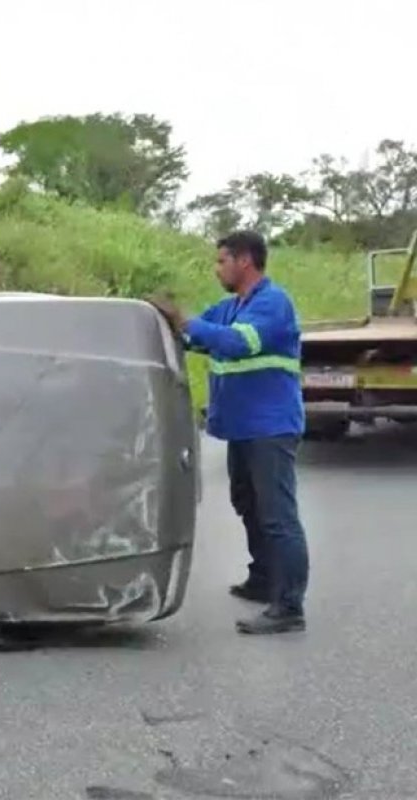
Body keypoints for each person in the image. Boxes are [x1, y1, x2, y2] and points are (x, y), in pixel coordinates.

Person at [149, 230, 309, 635]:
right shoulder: (231, 306)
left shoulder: (273, 304)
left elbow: (238, 343)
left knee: (278, 517)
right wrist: (167, 324)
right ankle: (263, 580)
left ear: (245, 261)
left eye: (221, 260)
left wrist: (186, 320)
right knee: (248, 504)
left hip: (270, 428)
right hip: (243, 428)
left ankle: (289, 606)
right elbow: (200, 336)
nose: (216, 267)